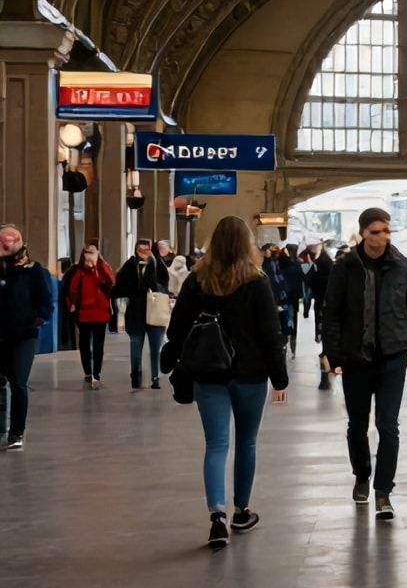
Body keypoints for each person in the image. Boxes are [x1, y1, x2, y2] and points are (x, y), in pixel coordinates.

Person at [163, 216, 289, 548]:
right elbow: (271, 334)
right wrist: (279, 377)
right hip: (250, 375)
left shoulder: (197, 280)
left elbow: (177, 326)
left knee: (216, 445)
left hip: (208, 374)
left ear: (213, 244)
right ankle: (241, 511)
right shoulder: (257, 281)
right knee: (246, 442)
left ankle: (217, 517)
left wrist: (171, 356)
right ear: (248, 245)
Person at [322, 208, 407, 520]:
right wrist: (333, 354)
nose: (382, 237)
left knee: (388, 425)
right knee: (357, 425)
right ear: (363, 233)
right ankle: (362, 474)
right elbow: (332, 312)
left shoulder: (403, 267)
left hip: (392, 356)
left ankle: (383, 491)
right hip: (356, 358)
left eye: (386, 231)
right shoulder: (345, 268)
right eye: (375, 232)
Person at [1, 225, 55, 451]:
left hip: (25, 335)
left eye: (9, 242)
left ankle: (16, 431)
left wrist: (37, 319)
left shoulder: (33, 270)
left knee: (19, 382)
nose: (5, 246)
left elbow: (46, 302)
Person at [113, 238, 171, 390]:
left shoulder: (157, 265)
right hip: (136, 313)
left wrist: (152, 286)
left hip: (155, 311)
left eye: (147, 250)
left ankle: (155, 377)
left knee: (155, 347)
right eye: (141, 250)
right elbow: (118, 287)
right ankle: (135, 375)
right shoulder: (129, 266)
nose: (144, 253)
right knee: (136, 346)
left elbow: (165, 285)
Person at [64, 243, 116, 390]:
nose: (90, 262)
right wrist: (71, 307)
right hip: (83, 314)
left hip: (100, 313)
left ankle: (96, 372)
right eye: (87, 258)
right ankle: (88, 371)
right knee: (85, 344)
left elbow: (111, 282)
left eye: (92, 257)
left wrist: (99, 265)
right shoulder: (77, 271)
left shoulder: (103, 268)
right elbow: (71, 290)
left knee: (99, 345)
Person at [307, 244, 334, 389]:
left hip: (324, 307)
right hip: (327, 308)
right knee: (327, 345)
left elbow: (309, 281)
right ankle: (327, 375)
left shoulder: (321, 265)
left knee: (326, 345)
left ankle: (325, 377)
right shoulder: (327, 264)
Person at [279, 244, 304, 355]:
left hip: (283, 296)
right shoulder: (297, 264)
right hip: (294, 296)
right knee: (294, 318)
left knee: (283, 318)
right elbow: (302, 279)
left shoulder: (280, 262)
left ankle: (284, 341)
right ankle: (293, 340)